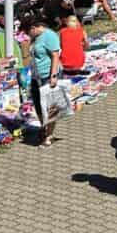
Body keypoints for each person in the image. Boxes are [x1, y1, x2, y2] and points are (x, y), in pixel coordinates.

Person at [24, 13, 72, 147]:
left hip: (48, 75)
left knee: (51, 106)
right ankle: (43, 127)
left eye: (28, 32)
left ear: (34, 28)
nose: (28, 35)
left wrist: (53, 75)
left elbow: (55, 55)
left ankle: (49, 135)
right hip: (36, 76)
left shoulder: (49, 36)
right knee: (38, 104)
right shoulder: (36, 38)